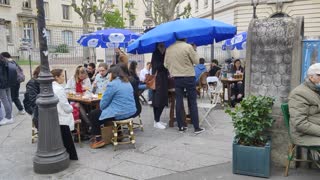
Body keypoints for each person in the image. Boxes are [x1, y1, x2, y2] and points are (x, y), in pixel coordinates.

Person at [89, 65, 137, 149]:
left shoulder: (112, 84)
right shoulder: (127, 82)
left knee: (93, 114)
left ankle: (98, 139)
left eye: (109, 74)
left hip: (120, 113)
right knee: (109, 111)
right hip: (131, 111)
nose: (109, 76)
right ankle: (119, 133)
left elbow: (102, 105)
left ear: (113, 74)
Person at [164, 38, 205, 134]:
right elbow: (197, 61)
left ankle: (181, 127)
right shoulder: (188, 47)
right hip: (189, 76)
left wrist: (174, 69)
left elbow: (165, 64)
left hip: (177, 78)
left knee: (179, 101)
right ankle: (196, 127)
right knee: (192, 102)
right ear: (185, 38)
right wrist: (194, 50)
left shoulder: (169, 48)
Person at [288, 63, 320, 164]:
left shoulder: (315, 90)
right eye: (319, 75)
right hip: (302, 135)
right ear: (311, 77)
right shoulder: (299, 93)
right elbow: (300, 124)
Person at [51, 69, 78, 160]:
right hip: (62, 116)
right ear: (56, 77)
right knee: (67, 139)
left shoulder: (51, 87)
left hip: (56, 115)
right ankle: (71, 156)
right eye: (62, 76)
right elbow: (65, 106)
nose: (63, 78)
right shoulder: (59, 89)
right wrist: (72, 108)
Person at [151, 43, 168, 129]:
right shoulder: (156, 52)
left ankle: (157, 120)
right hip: (158, 80)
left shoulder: (165, 51)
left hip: (164, 79)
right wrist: (165, 64)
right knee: (158, 100)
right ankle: (156, 121)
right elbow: (156, 66)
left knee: (163, 99)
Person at [0, 54, 17, 126]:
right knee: (9, 98)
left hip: (1, 83)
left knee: (4, 99)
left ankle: (8, 117)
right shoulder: (5, 61)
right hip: (8, 82)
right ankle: (10, 115)